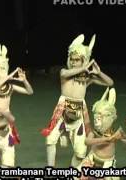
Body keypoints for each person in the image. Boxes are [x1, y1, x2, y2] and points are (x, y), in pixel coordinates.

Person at [41, 34, 114, 167]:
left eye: (77, 60)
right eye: (72, 59)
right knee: (50, 139)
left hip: (80, 111)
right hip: (63, 108)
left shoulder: (86, 78)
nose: (74, 62)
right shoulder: (65, 72)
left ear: (83, 60)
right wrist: (85, 67)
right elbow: (64, 74)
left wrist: (98, 72)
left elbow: (110, 82)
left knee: (80, 152)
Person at [0, 44, 33, 167]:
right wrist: (8, 76)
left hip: (5, 124)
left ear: (1, 71)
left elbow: (30, 92)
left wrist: (24, 81)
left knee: (7, 162)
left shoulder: (10, 87)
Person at [77, 88, 126, 180]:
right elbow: (87, 141)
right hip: (92, 160)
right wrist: (107, 139)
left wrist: (125, 137)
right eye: (96, 118)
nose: (97, 122)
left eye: (101, 118)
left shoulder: (115, 133)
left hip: (107, 164)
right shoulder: (95, 132)